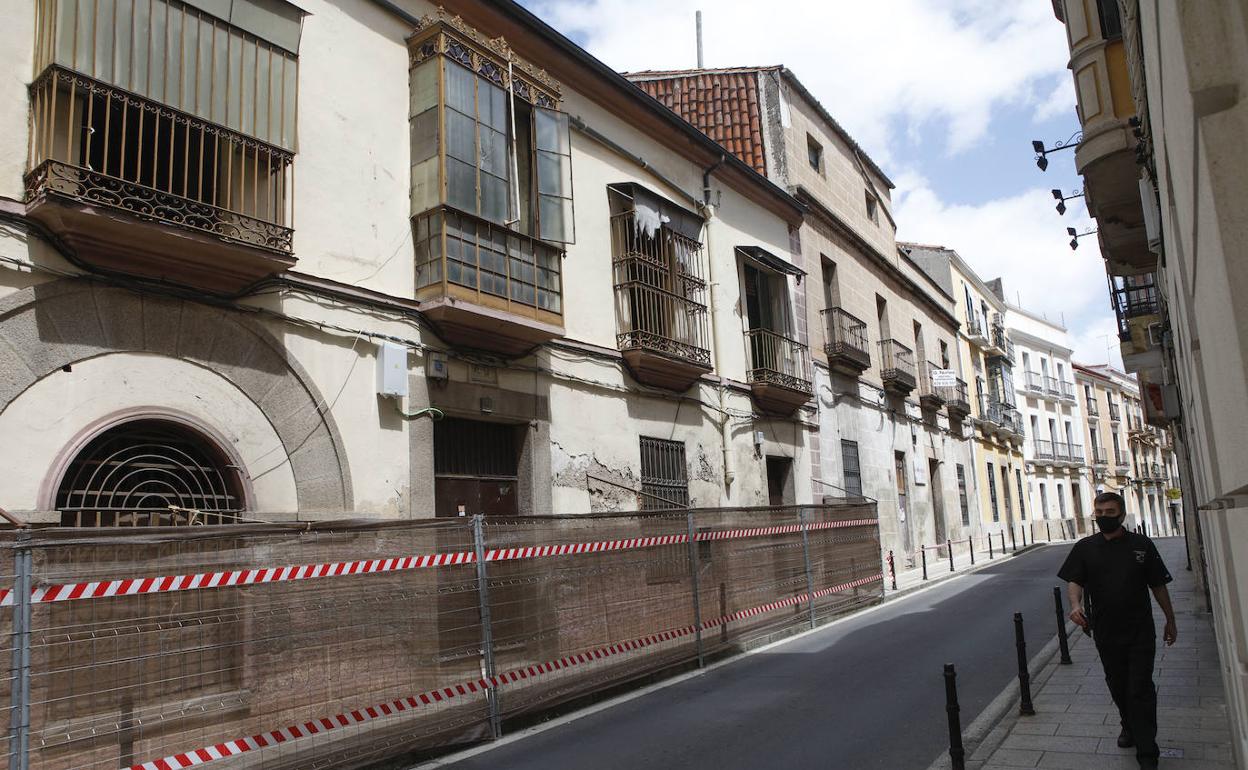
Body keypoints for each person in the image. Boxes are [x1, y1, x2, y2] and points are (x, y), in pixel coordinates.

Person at [1058, 491, 1177, 769]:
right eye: (1099, 513)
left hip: (1139, 630)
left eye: (1109, 513)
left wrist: (1170, 619)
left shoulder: (1142, 545)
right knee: (1117, 683)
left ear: (1121, 515)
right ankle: (1128, 724)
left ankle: (1148, 753)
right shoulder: (1085, 547)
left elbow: (1158, 584)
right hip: (1105, 630)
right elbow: (1074, 581)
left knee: (1140, 688)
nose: (1103, 518)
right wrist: (1075, 605)